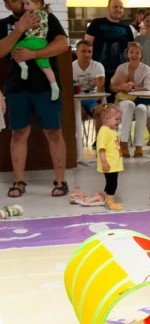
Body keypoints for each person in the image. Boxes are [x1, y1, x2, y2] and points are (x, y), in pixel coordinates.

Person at [0, 0, 69, 198]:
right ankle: (19, 181)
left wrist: (34, 54)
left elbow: (62, 44)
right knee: (18, 134)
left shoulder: (46, 17)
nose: (21, 2)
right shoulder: (4, 24)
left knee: (54, 133)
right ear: (7, 6)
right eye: (14, 0)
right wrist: (20, 28)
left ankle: (61, 181)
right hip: (16, 87)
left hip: (46, 87)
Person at [110, 42, 150, 158]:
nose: (134, 55)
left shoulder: (146, 69)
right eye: (131, 52)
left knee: (141, 109)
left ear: (141, 55)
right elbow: (112, 87)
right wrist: (120, 87)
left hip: (141, 100)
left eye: (137, 52)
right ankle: (123, 144)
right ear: (127, 54)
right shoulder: (121, 68)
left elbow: (148, 88)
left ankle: (139, 147)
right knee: (129, 105)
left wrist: (132, 88)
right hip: (123, 100)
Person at [84, 0, 134, 99]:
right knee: (99, 101)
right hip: (98, 71)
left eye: (121, 7)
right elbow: (86, 46)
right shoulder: (96, 23)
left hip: (119, 73)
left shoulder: (126, 28)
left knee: (118, 101)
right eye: (115, 7)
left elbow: (131, 51)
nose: (118, 10)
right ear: (108, 8)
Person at [12, 0, 58, 100]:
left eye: (27, 4)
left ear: (37, 4)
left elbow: (24, 26)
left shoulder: (29, 14)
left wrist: (18, 26)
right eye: (24, 4)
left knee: (14, 48)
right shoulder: (46, 13)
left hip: (31, 41)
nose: (25, 6)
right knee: (46, 67)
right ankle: (54, 86)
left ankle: (23, 66)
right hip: (42, 43)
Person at [95, 103, 124, 210]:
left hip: (113, 163)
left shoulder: (111, 131)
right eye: (116, 119)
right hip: (109, 164)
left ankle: (107, 198)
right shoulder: (104, 131)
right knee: (112, 183)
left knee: (111, 181)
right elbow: (101, 149)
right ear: (107, 118)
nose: (118, 121)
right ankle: (110, 202)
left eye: (119, 119)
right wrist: (104, 162)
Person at [72, 40, 105, 125]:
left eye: (89, 51)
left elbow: (100, 86)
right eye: (83, 51)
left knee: (100, 113)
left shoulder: (97, 66)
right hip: (77, 100)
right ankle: (77, 138)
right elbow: (67, 90)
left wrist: (98, 103)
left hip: (93, 99)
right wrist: (78, 106)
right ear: (76, 52)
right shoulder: (71, 67)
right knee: (75, 113)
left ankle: (100, 138)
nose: (87, 54)